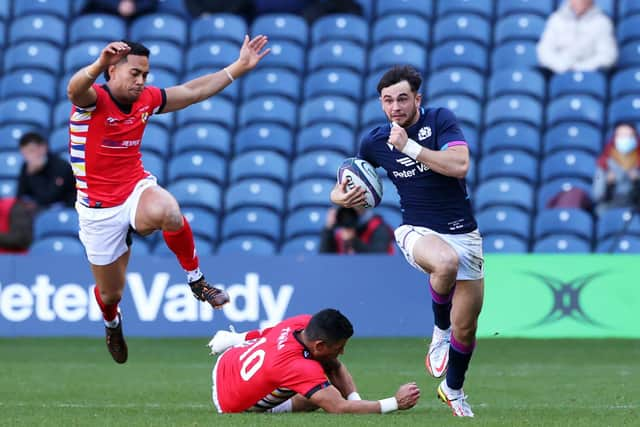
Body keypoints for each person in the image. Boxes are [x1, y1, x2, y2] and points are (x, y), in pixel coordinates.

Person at [66, 36, 270, 364]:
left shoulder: (146, 99)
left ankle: (197, 281)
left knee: (169, 211)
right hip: (98, 209)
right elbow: (74, 90)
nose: (141, 81)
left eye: (145, 74)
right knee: (111, 293)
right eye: (134, 73)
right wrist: (97, 64)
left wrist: (239, 67)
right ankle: (112, 322)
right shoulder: (94, 99)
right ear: (112, 71)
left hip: (135, 190)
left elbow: (192, 92)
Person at [330, 65, 482, 417]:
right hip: (417, 230)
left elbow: (459, 165)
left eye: (402, 98)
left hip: (465, 233)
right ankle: (438, 331)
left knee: (468, 326)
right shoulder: (374, 140)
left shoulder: (441, 120)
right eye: (388, 100)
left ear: (417, 99)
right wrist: (341, 198)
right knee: (444, 263)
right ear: (381, 104)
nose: (395, 106)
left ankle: (453, 389)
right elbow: (345, 182)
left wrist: (410, 148)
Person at [207, 308, 421, 414]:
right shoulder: (299, 367)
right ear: (318, 344)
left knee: (325, 369)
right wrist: (394, 403)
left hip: (230, 360)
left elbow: (267, 333)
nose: (343, 352)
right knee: (320, 395)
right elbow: (338, 407)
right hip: (231, 402)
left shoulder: (301, 324)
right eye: (339, 347)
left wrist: (236, 339)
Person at [536, 0, 617, 74]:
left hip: (590, 76)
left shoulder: (603, 22)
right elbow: (544, 51)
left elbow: (607, 56)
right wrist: (562, 67)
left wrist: (579, 68)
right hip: (557, 74)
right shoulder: (555, 19)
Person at [17, 132, 76, 210]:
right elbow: (20, 195)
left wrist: (34, 175)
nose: (28, 157)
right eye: (25, 154)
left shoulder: (61, 166)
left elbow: (50, 197)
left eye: (31, 151)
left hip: (66, 209)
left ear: (43, 148)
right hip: (39, 210)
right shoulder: (26, 166)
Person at [593, 122, 640, 216]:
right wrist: (609, 186)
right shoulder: (603, 164)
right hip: (609, 207)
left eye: (628, 135)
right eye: (621, 135)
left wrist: (637, 183)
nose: (625, 139)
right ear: (615, 138)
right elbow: (596, 195)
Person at [319, 206, 395, 254]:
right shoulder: (339, 229)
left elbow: (380, 258)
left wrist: (353, 241)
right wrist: (328, 229)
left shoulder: (378, 227)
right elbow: (324, 259)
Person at [82, 0, 158, 20]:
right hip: (106, 16)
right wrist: (117, 5)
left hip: (138, 18)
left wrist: (135, 7)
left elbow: (152, 2)